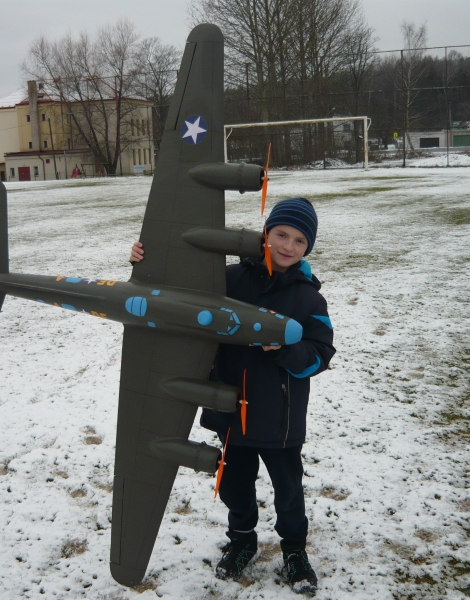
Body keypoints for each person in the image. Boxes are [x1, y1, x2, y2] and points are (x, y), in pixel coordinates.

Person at [130, 198, 334, 595]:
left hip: (280, 420)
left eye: (298, 240)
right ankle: (242, 540)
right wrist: (144, 258)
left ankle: (294, 550)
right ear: (266, 234)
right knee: (234, 487)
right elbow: (176, 293)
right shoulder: (228, 278)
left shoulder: (310, 299)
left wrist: (287, 352)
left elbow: (321, 355)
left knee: (288, 491)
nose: (288, 246)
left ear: (307, 247)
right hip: (231, 411)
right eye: (281, 235)